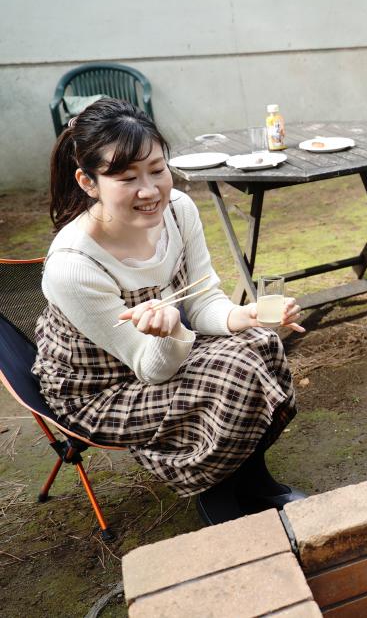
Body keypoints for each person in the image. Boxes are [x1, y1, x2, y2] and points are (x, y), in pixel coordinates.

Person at [34, 98, 307, 526]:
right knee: (233, 373)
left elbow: (203, 300)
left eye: (157, 170)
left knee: (261, 343)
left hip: (163, 349)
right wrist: (173, 330)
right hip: (100, 388)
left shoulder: (178, 210)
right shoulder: (74, 265)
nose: (150, 191)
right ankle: (216, 493)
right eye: (127, 178)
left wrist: (246, 316)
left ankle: (254, 481)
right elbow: (150, 367)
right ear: (88, 182)